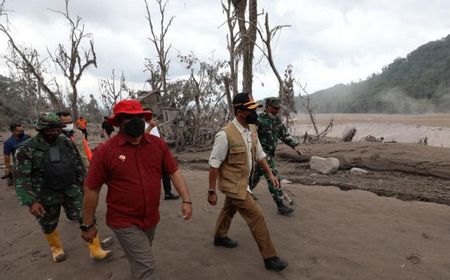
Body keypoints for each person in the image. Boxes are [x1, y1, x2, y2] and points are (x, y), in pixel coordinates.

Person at [81, 99, 192, 280]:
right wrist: (88, 224)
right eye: (129, 118)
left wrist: (186, 199)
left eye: (140, 117)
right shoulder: (105, 151)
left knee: (140, 263)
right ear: (119, 122)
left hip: (151, 217)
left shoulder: (157, 145)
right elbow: (92, 189)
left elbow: (173, 171)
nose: (136, 121)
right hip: (123, 220)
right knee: (146, 268)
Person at [14, 112, 111, 263]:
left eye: (57, 128)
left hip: (70, 188)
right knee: (48, 222)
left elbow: (78, 164)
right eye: (50, 129)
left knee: (85, 216)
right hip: (45, 193)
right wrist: (31, 201)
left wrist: (85, 184)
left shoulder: (65, 141)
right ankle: (56, 248)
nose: (54, 132)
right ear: (41, 129)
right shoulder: (26, 149)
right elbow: (21, 178)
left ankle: (95, 248)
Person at [207, 92, 288, 272]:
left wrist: (271, 174)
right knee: (256, 216)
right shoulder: (225, 134)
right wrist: (211, 191)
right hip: (234, 185)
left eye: (255, 108)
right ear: (239, 111)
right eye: (250, 109)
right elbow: (214, 164)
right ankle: (270, 257)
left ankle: (220, 237)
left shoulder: (251, 130)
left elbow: (259, 154)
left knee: (229, 209)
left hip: (244, 183)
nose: (255, 112)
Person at [250, 97, 303, 215]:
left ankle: (245, 191)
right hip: (261, 154)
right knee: (273, 176)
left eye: (278, 108)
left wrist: (295, 146)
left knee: (257, 174)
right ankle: (280, 205)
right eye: (274, 108)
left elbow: (284, 135)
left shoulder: (277, 121)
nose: (277, 110)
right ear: (267, 107)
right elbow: (250, 136)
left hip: (270, 154)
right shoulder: (258, 120)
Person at [144, 110, 179, 200]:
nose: (150, 116)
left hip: (158, 152)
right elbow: (142, 138)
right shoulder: (142, 125)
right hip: (148, 153)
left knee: (166, 172)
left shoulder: (153, 124)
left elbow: (157, 137)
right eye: (147, 114)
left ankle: (167, 193)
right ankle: (147, 194)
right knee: (153, 175)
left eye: (151, 114)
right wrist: (150, 127)